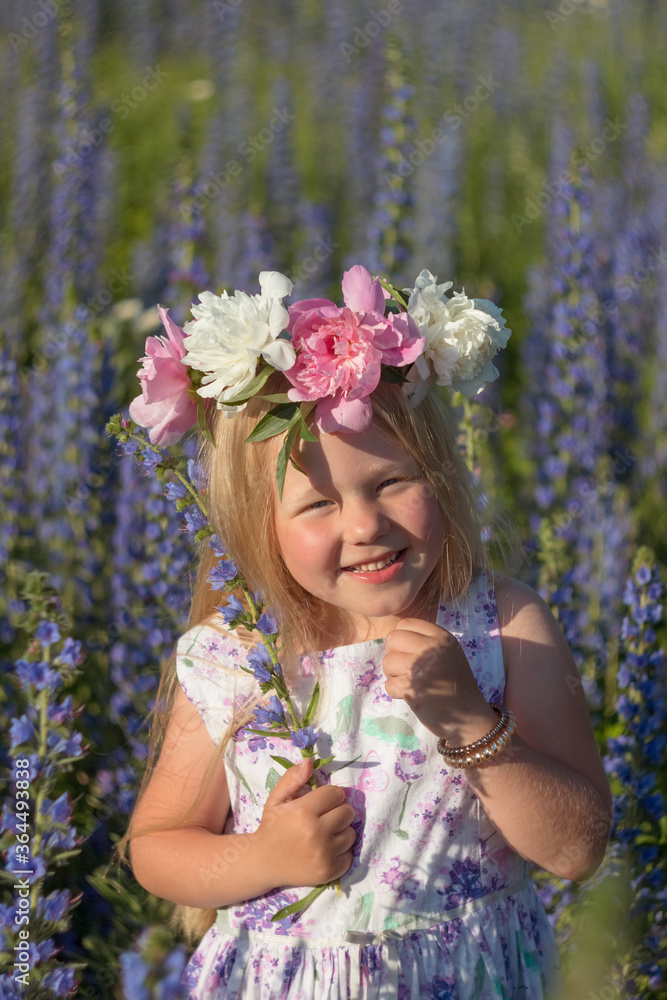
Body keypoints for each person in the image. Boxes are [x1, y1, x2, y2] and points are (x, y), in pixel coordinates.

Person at [119, 270, 612, 999]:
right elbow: (156, 848)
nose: (364, 526)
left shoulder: (501, 626)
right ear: (260, 527)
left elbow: (576, 848)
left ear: (439, 475)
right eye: (317, 503)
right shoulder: (237, 657)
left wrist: (472, 728)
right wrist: (265, 857)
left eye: (390, 483)